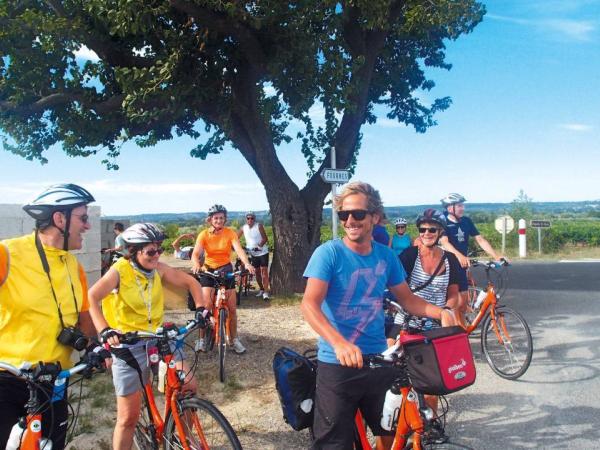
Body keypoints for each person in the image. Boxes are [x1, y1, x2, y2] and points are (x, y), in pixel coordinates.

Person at [300, 181, 458, 450]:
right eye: (344, 215)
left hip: (377, 359)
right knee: (333, 443)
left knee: (392, 431)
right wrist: (338, 343)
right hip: (337, 362)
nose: (350, 220)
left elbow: (407, 298)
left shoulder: (386, 257)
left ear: (374, 217)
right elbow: (309, 305)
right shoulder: (328, 254)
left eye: (358, 214)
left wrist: (441, 312)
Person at [87, 223, 208, 450]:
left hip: (158, 338)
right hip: (128, 343)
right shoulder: (119, 271)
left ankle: (182, 438)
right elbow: (92, 297)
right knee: (128, 418)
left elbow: (191, 282)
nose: (157, 255)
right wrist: (105, 330)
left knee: (188, 385)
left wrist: (201, 308)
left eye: (159, 249)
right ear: (133, 251)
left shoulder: (159, 269)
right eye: (151, 251)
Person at [0, 183, 97, 450]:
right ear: (59, 219)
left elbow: (84, 318)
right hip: (8, 381)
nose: (87, 226)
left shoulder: (73, 266)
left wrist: (97, 346)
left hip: (54, 382)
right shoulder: (7, 254)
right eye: (83, 218)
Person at [387, 209, 461, 443]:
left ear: (440, 232)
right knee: (394, 375)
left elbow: (454, 294)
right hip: (406, 321)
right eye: (422, 229)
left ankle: (429, 424)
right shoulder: (409, 256)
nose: (427, 233)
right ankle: (396, 423)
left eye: (432, 229)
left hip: (434, 324)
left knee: (431, 382)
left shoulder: (450, 261)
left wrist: (447, 311)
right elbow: (397, 289)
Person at [191, 204, 255, 354]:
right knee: (205, 307)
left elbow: (238, 249)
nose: (219, 220)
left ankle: (234, 339)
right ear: (210, 220)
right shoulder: (204, 234)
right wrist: (195, 264)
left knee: (232, 309)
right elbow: (195, 254)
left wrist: (246, 263)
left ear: (225, 219)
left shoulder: (230, 233)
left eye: (221, 218)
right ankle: (201, 339)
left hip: (226, 269)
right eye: (216, 218)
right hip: (208, 269)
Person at [438, 193, 507, 313]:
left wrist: (496, 256)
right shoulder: (442, 221)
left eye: (462, 205)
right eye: (459, 206)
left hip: (462, 265)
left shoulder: (466, 221)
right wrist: (459, 256)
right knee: (453, 302)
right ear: (450, 208)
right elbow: (444, 242)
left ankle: (462, 330)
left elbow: (480, 239)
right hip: (447, 265)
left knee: (463, 302)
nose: (462, 208)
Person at [237, 211, 270, 300]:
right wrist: (240, 247)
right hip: (253, 253)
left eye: (252, 218)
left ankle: (266, 293)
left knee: (264, 272)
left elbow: (265, 238)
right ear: (246, 219)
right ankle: (262, 289)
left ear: (254, 219)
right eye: (248, 218)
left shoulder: (259, 226)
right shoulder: (243, 228)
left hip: (262, 252)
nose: (250, 220)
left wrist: (259, 246)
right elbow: (235, 238)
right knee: (257, 273)